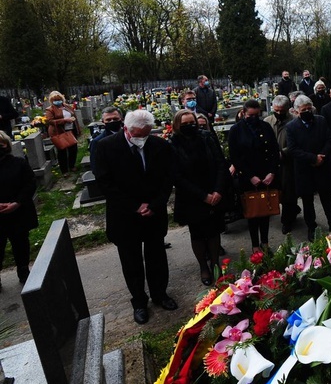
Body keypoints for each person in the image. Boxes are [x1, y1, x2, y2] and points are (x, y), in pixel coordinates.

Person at [93, 110, 177, 325]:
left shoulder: (161, 146)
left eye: (145, 134)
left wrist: (155, 205)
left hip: (153, 214)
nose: (141, 138)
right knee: (131, 262)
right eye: (137, 134)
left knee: (156, 257)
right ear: (126, 128)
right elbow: (105, 183)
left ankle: (160, 294)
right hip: (124, 216)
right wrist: (134, 206)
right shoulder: (105, 147)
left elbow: (167, 179)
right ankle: (139, 301)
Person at [171, 110, 227, 286]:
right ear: (177, 126)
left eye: (192, 123)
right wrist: (203, 196)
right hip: (192, 197)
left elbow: (220, 162)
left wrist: (218, 190)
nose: (190, 126)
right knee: (197, 234)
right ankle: (203, 266)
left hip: (214, 191)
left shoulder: (207, 137)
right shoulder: (173, 143)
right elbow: (177, 176)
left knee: (214, 231)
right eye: (185, 124)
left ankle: (215, 263)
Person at [228, 100, 281, 253]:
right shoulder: (236, 130)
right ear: (243, 113)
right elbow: (235, 156)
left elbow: (273, 150)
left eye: (257, 115)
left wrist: (272, 172)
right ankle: (255, 245)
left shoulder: (265, 126)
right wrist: (250, 176)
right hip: (248, 176)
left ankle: (265, 242)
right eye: (250, 115)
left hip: (266, 175)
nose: (254, 118)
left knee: (265, 211)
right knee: (252, 212)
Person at [286, 95, 331, 241]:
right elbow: (293, 149)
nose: (307, 111)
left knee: (326, 198)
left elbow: (330, 139)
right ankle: (311, 227)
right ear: (296, 111)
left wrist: (322, 156)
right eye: (304, 109)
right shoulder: (291, 127)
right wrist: (312, 158)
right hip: (304, 169)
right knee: (308, 201)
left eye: (309, 108)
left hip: (322, 166)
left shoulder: (320, 120)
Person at [0, 131, 37, 291]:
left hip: (18, 213)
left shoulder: (19, 163)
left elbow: (29, 184)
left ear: (6, 145)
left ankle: (23, 270)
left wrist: (17, 202)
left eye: (0, 144)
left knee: (21, 244)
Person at [264, 95, 299, 234]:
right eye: (276, 110)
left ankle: (287, 221)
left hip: (288, 162)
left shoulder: (294, 121)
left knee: (288, 192)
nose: (278, 114)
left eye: (281, 111)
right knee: (274, 190)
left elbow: (296, 143)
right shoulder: (267, 121)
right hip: (271, 163)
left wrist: (283, 153)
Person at [44, 91, 80, 176]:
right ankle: (64, 170)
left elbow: (74, 116)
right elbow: (49, 121)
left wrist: (77, 128)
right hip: (58, 132)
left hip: (71, 129)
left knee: (73, 149)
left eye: (59, 99)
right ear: (51, 101)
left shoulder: (67, 106)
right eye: (55, 100)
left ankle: (72, 165)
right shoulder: (50, 109)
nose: (57, 101)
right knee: (62, 151)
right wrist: (64, 121)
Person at [88, 106, 123, 175]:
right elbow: (96, 168)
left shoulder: (129, 135)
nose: (112, 121)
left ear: (121, 119)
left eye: (115, 119)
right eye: (108, 120)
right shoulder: (97, 142)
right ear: (103, 122)